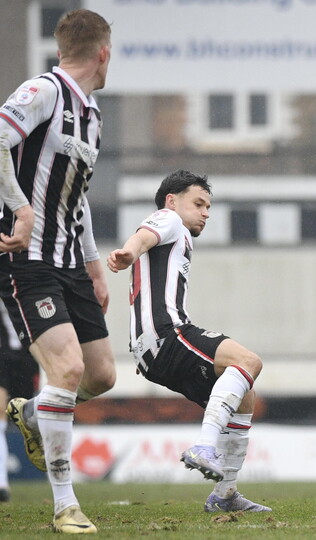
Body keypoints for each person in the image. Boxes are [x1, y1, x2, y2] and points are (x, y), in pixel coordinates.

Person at [0, 9, 114, 533]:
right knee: (65, 372)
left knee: (101, 375)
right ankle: (65, 504)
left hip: (70, 262)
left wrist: (94, 265)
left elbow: (78, 199)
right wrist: (21, 208)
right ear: (103, 53)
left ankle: (33, 413)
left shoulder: (91, 114)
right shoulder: (42, 90)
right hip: (28, 259)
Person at [107, 170, 270, 513]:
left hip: (153, 348)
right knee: (249, 362)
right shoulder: (168, 219)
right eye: (198, 203)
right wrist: (128, 252)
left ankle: (225, 495)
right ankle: (204, 447)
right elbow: (144, 235)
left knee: (244, 397)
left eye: (208, 206)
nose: (206, 212)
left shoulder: (179, 234)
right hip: (167, 334)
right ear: (172, 200)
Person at [0, 302, 40, 503]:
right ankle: (2, 484)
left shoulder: (26, 278)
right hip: (2, 354)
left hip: (28, 356)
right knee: (0, 413)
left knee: (29, 413)